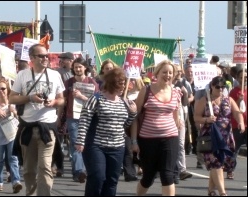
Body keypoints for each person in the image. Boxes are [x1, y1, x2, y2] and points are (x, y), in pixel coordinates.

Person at [9, 44, 65, 196]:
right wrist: (30, 98)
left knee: (45, 167)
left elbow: (61, 99)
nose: (45, 58)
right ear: (32, 58)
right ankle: (31, 193)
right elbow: (12, 98)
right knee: (28, 169)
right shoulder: (23, 75)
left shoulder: (55, 75)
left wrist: (53, 103)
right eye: (41, 56)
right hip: (28, 127)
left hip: (47, 128)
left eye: (47, 55)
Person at [75, 67, 137, 196]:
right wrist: (80, 141)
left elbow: (124, 124)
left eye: (124, 82)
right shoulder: (96, 98)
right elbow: (85, 120)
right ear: (112, 83)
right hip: (96, 145)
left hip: (117, 147)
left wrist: (132, 113)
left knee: (111, 181)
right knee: (97, 178)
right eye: (121, 83)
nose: (123, 86)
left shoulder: (123, 102)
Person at [130, 60, 182, 196]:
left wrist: (179, 125)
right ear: (157, 74)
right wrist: (134, 141)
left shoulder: (176, 92)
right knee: (148, 177)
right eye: (164, 72)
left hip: (170, 138)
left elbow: (176, 117)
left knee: (167, 175)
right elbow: (136, 116)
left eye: (171, 73)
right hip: (148, 139)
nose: (168, 75)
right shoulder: (146, 90)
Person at [194, 76, 244, 196]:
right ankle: (222, 192)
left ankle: (211, 191)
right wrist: (206, 119)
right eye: (218, 87)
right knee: (216, 163)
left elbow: (237, 113)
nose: (220, 89)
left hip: (225, 137)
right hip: (210, 137)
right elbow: (196, 117)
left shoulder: (228, 99)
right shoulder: (205, 100)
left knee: (219, 163)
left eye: (223, 87)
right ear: (212, 86)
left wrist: (241, 122)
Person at [63, 57, 99, 183]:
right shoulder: (68, 83)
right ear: (73, 68)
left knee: (86, 144)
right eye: (76, 67)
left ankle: (80, 171)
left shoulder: (92, 83)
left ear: (85, 68)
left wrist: (81, 96)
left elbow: (97, 102)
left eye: (80, 67)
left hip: (88, 117)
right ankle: (80, 171)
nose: (78, 69)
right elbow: (63, 100)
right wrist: (59, 118)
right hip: (72, 117)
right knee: (76, 143)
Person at [0, 79, 22, 193]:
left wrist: (14, 112)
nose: (1, 91)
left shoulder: (12, 102)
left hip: (12, 134)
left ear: (7, 90)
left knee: (13, 158)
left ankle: (16, 181)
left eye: (3, 88)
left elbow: (20, 119)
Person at [227, 69, 247, 180]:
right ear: (238, 78)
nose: (244, 79)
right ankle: (230, 170)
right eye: (242, 77)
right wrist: (239, 101)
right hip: (237, 124)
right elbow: (231, 109)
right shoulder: (234, 92)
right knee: (234, 149)